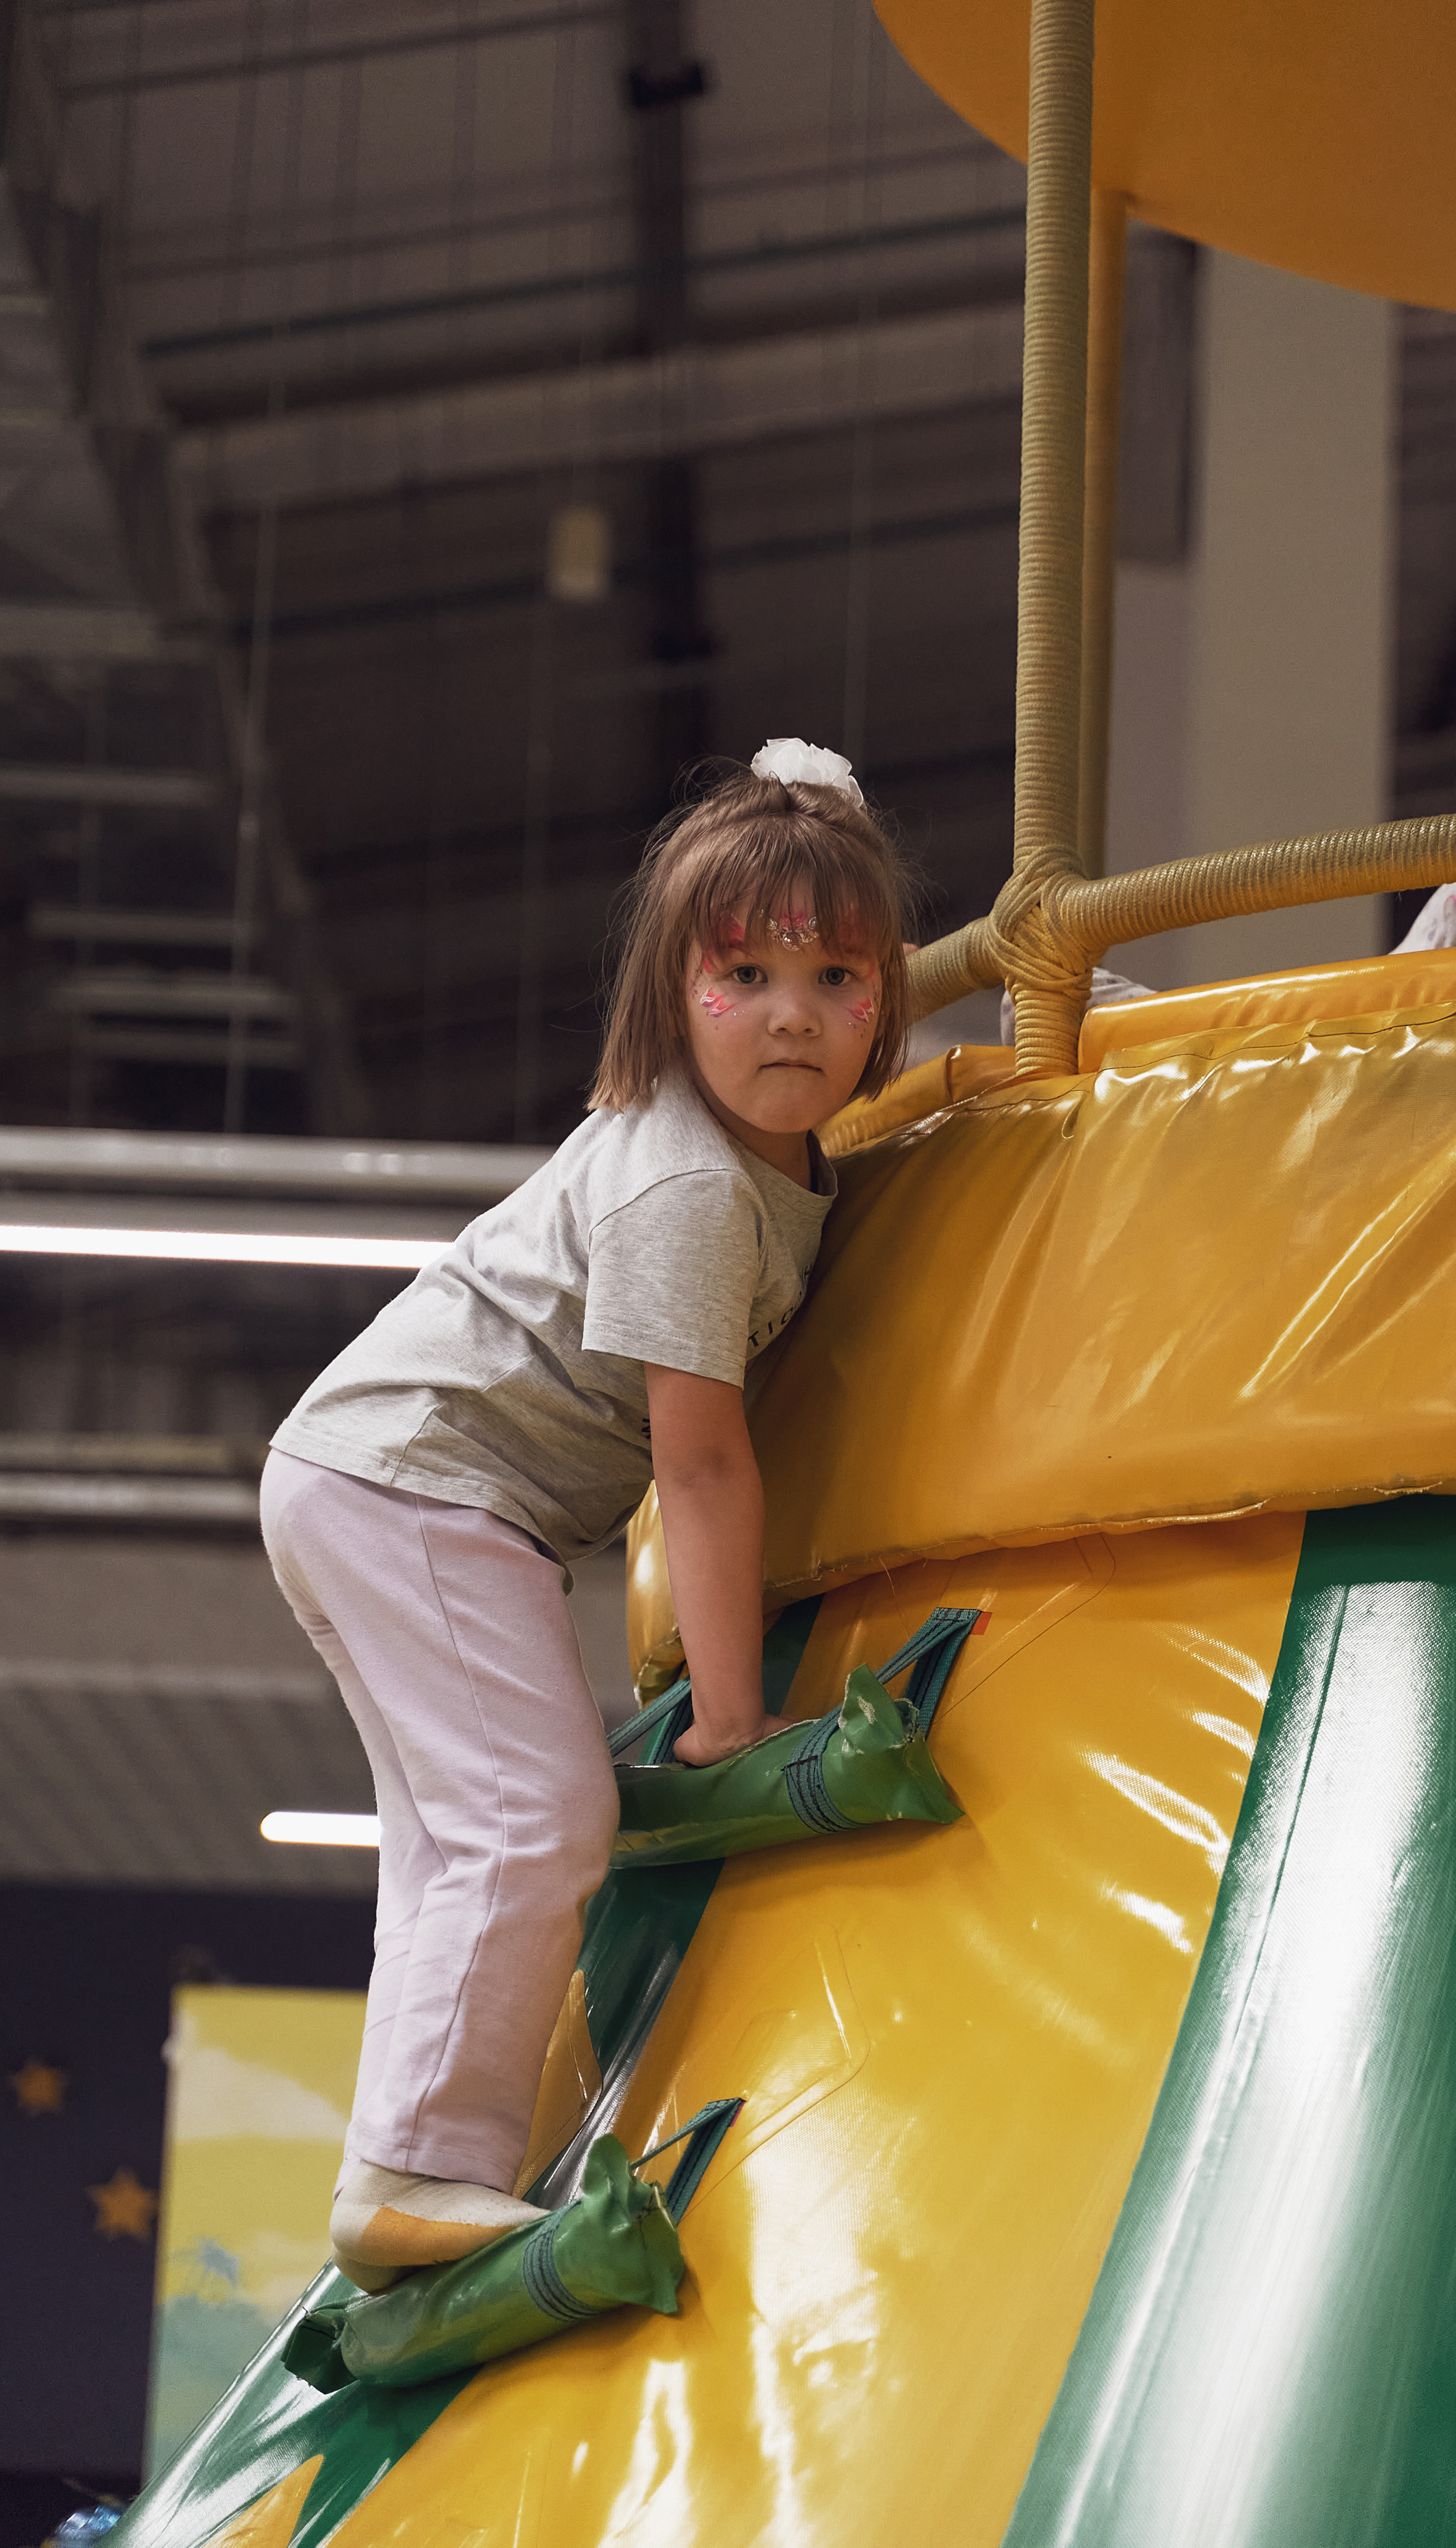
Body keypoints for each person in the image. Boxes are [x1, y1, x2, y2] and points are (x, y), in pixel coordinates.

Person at [259, 740, 912, 2291]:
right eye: (741, 975)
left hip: (382, 1481)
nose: (791, 1018)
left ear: (886, 997)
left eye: (838, 979)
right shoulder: (687, 1188)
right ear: (666, 992)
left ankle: (399, 2170)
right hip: (411, 1483)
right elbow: (699, 1465)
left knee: (450, 1843)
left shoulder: (779, 1165)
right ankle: (421, 2171)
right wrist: (729, 1726)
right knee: (536, 1820)